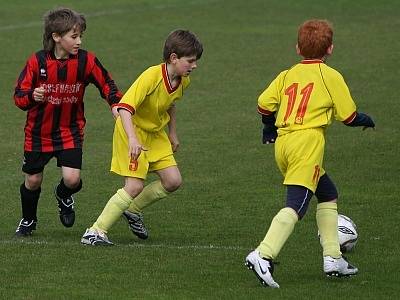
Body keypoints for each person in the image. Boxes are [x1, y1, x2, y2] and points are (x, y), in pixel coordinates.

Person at [245, 19, 375, 288]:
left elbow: (263, 104)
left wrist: (268, 128)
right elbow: (349, 117)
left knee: (327, 193)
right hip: (307, 144)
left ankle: (333, 258)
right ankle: (263, 254)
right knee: (296, 204)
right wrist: (367, 120)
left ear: (297, 48)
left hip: (284, 144)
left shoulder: (287, 74)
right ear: (330, 49)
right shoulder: (331, 76)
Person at [81, 29, 203, 246]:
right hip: (131, 130)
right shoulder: (151, 76)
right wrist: (133, 140)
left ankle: (132, 209)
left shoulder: (183, 81)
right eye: (190, 61)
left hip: (155, 135)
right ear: (173, 58)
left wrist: (173, 133)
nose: (194, 66)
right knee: (135, 186)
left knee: (173, 181)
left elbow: (170, 105)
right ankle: (95, 231)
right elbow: (125, 108)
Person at [13, 7, 122, 236]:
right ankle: (28, 220)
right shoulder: (36, 61)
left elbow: (107, 84)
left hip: (69, 131)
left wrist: (116, 104)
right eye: (74, 36)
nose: (79, 41)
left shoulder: (86, 61)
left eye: (80, 35)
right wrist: (33, 96)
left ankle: (63, 195)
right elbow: (19, 97)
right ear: (56, 37)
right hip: (38, 133)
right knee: (32, 180)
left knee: (72, 180)